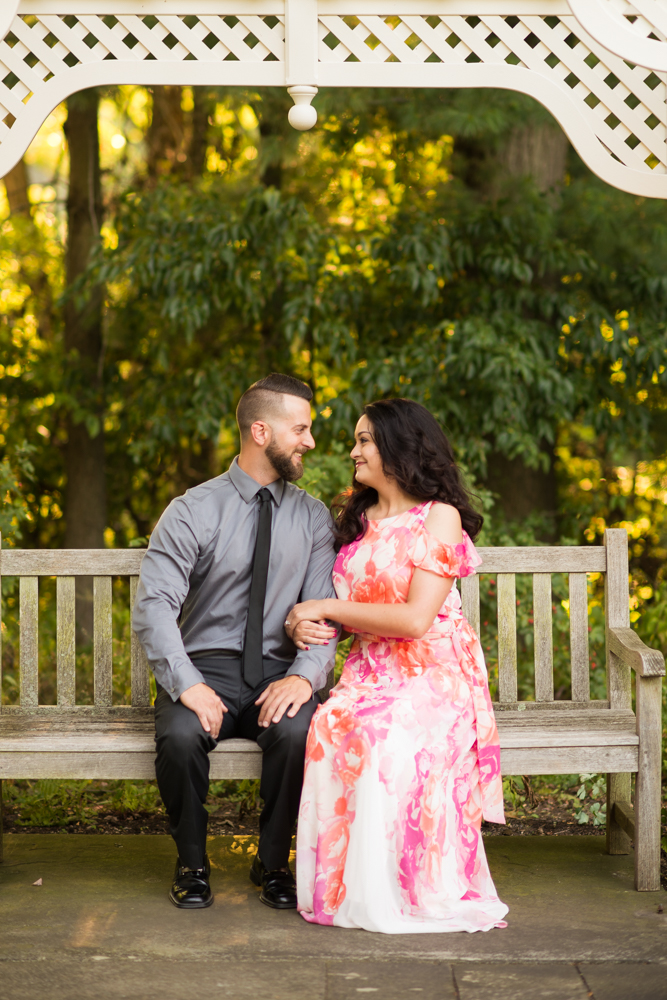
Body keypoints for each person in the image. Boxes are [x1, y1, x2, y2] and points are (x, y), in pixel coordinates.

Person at [286, 398, 508, 933]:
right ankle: (350, 888)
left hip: (432, 676)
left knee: (382, 734)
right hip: (368, 671)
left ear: (398, 447)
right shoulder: (357, 521)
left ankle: (405, 888)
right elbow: (334, 609)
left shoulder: (439, 517)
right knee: (329, 725)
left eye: (364, 440)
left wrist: (325, 609)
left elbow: (413, 619)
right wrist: (302, 623)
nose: (352, 450)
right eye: (356, 440)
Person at [133, 373, 338, 910]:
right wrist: (188, 685)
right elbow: (154, 607)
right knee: (180, 737)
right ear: (260, 431)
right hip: (206, 668)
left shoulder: (314, 517)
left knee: (300, 733)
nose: (310, 442)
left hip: (278, 669)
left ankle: (273, 861)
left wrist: (304, 674)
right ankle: (192, 861)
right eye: (302, 429)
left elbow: (322, 616)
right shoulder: (191, 511)